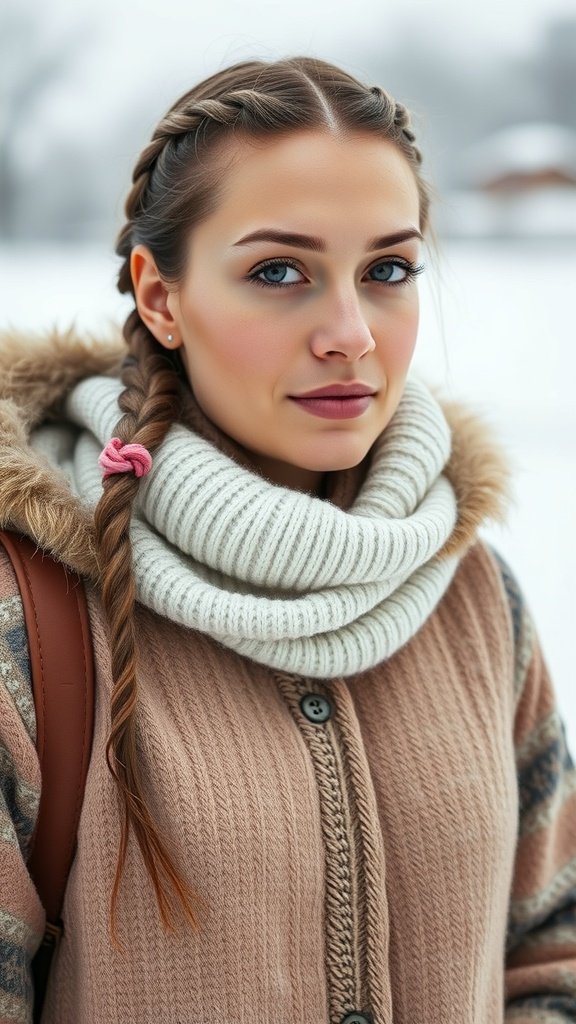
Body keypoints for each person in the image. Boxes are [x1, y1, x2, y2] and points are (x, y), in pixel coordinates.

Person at [0, 54, 575, 1024]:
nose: (351, 332)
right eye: (278, 271)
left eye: (388, 270)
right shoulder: (30, 613)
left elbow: (553, 950)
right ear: (160, 297)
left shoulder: (472, 591)